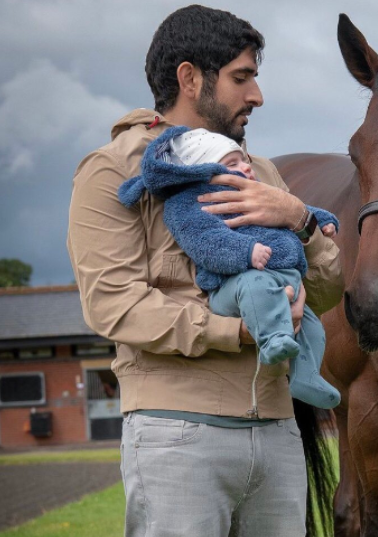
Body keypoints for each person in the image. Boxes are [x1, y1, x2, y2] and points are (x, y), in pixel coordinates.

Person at [67, 5, 343, 537]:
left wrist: (301, 220)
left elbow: (327, 292)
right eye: (242, 78)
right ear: (190, 78)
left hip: (280, 431)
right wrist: (240, 330)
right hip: (177, 437)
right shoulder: (114, 170)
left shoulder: (261, 173)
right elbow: (115, 305)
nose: (257, 96)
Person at [117, 126, 341, 409]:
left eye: (244, 160)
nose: (246, 166)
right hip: (235, 283)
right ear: (203, 171)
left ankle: (307, 377)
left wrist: (318, 219)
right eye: (232, 163)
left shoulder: (257, 191)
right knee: (256, 288)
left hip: (281, 279)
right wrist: (246, 253)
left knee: (313, 327)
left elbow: (297, 208)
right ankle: (273, 341)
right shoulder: (190, 203)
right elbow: (207, 244)